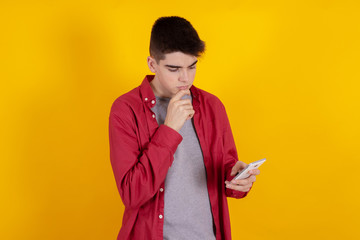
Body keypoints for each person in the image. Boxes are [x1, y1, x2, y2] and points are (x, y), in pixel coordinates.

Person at [108, 16, 260, 240]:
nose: (185, 78)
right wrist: (169, 129)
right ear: (152, 64)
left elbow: (225, 172)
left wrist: (238, 178)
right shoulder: (125, 110)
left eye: (192, 66)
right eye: (174, 69)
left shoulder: (211, 106)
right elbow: (132, 194)